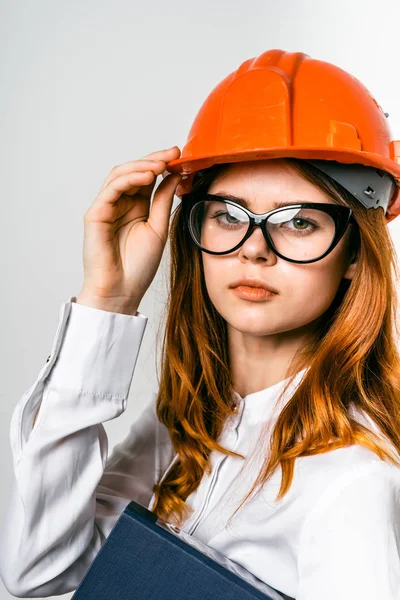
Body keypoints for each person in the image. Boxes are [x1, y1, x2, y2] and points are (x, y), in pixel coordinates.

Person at [1, 49, 400, 600]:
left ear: (356, 251)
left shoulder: (353, 479)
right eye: (229, 215)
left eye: (300, 222)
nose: (255, 249)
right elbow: (38, 569)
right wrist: (108, 300)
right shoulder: (184, 415)